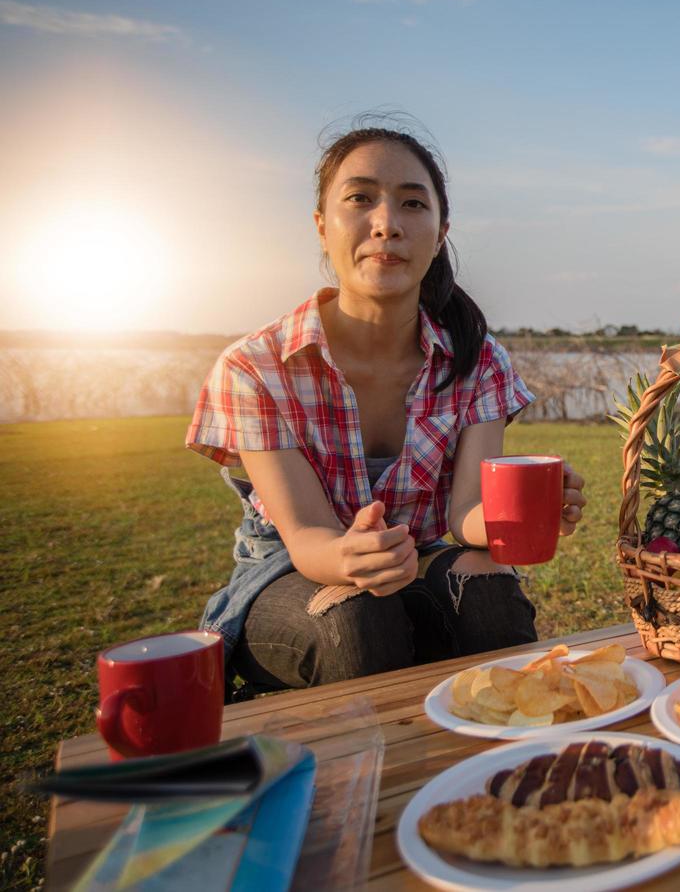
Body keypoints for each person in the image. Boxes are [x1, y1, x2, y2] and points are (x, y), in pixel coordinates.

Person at [186, 120, 586, 695]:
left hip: (419, 556)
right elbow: (306, 537)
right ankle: (368, 776)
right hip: (292, 569)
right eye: (360, 198)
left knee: (490, 592)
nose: (387, 224)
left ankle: (498, 760)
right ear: (323, 227)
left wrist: (526, 516)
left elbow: (464, 517)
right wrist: (352, 555)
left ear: (440, 231)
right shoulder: (257, 368)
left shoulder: (477, 360)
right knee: (358, 617)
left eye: (412, 204)